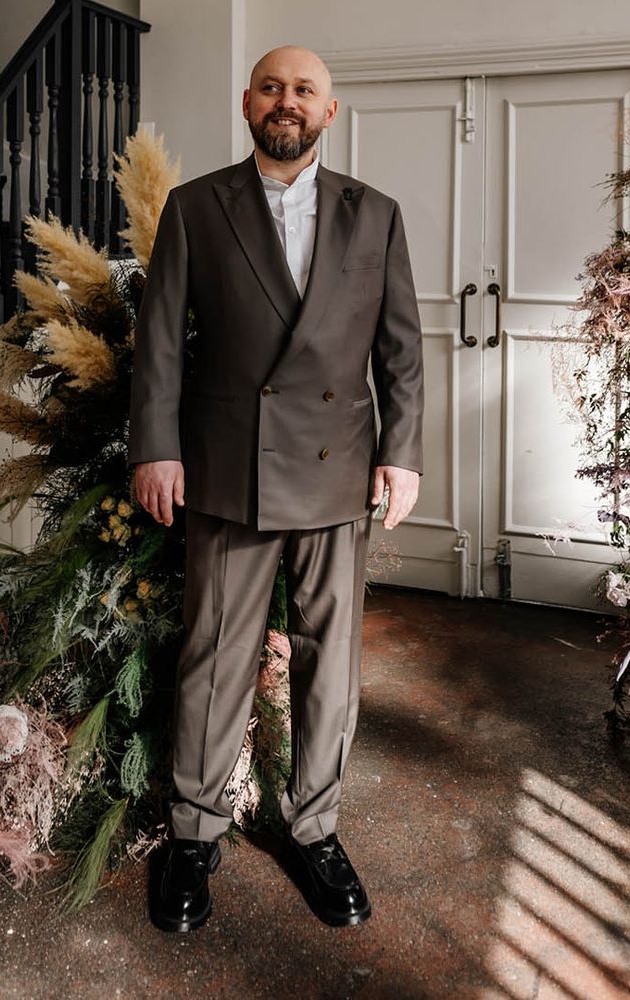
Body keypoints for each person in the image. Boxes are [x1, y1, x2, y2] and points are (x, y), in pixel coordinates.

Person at [128, 44, 425, 932]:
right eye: (271, 88)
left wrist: (404, 454)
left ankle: (315, 830)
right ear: (247, 103)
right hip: (230, 467)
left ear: (330, 112)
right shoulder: (196, 207)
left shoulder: (377, 214)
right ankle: (193, 835)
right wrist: (156, 448)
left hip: (339, 467)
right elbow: (161, 342)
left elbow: (401, 350)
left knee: (330, 660)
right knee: (216, 654)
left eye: (303, 90)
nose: (285, 101)